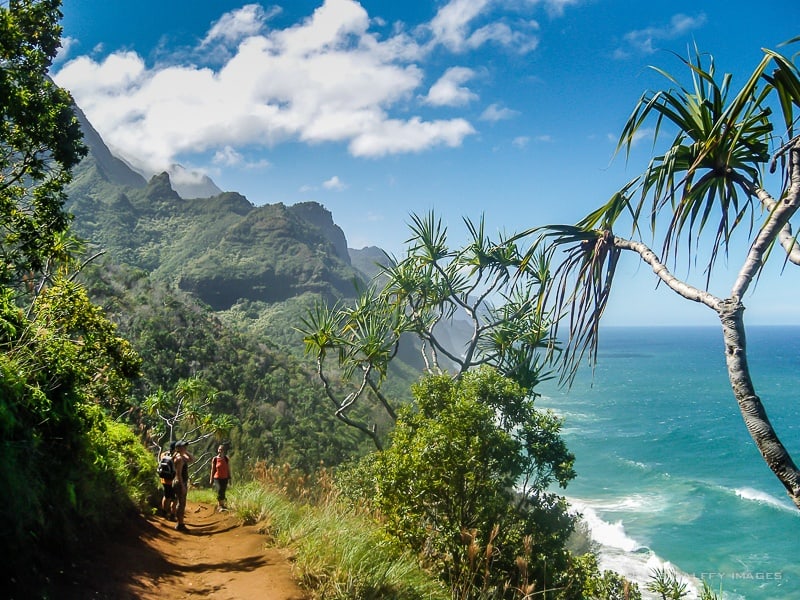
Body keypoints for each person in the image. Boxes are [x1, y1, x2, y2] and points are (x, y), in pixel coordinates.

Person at [172, 439, 194, 532]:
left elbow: (192, 459)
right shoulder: (180, 459)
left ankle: (180, 523)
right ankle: (180, 524)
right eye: (183, 446)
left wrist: (185, 452)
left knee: (180, 503)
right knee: (181, 504)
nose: (185, 448)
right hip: (180, 482)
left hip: (179, 482)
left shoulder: (180, 457)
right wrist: (183, 486)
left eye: (185, 446)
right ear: (178, 448)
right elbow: (178, 474)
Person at [209, 445, 231, 512]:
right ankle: (219, 505)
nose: (220, 451)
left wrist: (230, 477)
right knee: (219, 490)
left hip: (225, 478)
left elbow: (228, 469)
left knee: (223, 491)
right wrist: (211, 479)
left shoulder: (226, 459)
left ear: (224, 451)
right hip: (217, 478)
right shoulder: (215, 459)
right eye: (219, 449)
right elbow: (213, 469)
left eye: (221, 449)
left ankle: (222, 505)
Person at [159, 441, 177, 520]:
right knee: (174, 498)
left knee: (166, 496)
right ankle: (172, 515)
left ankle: (164, 512)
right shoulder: (176, 456)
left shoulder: (163, 454)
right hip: (172, 480)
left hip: (163, 478)